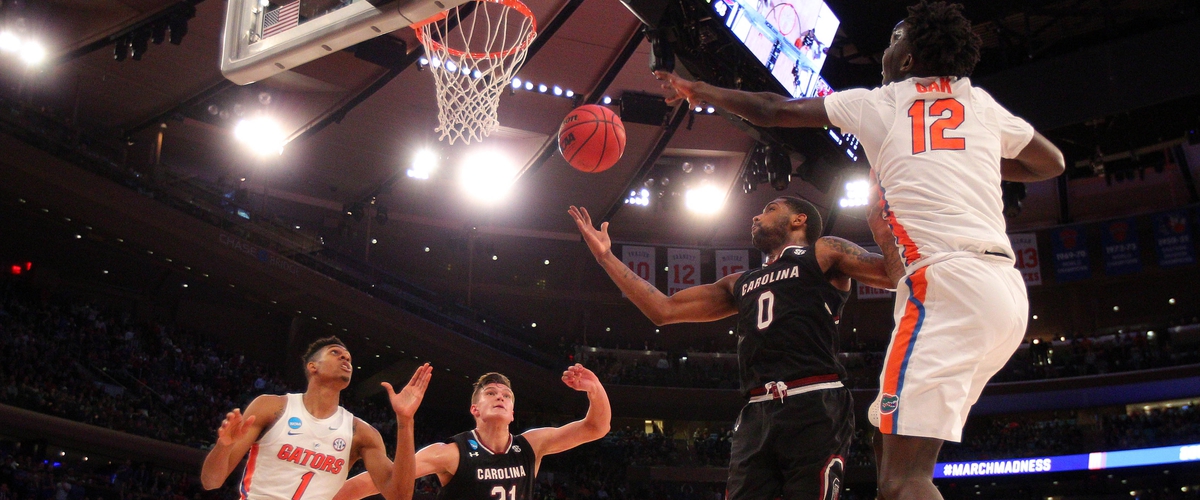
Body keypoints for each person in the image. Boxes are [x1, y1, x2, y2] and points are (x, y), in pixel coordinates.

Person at [655, 1, 1066, 498]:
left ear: (910, 59)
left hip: (944, 284)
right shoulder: (978, 103)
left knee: (903, 481)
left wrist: (698, 89)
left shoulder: (884, 101)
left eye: (895, 40)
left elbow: (773, 109)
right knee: (885, 440)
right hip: (1006, 295)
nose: (886, 50)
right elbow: (1052, 162)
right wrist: (968, 158)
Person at [568, 197, 896, 500]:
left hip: (815, 400)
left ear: (799, 219)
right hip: (757, 410)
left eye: (770, 208)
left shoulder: (824, 251)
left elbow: (892, 274)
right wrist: (605, 257)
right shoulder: (740, 281)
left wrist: (885, 231)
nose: (756, 215)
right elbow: (663, 309)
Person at [200, 336, 431, 500]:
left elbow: (399, 495)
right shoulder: (271, 407)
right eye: (336, 353)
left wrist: (405, 421)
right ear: (313, 366)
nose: (346, 360)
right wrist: (222, 447)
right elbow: (211, 482)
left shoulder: (361, 434)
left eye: (349, 358)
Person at [333, 364, 611, 500]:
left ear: (513, 412)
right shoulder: (452, 453)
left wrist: (595, 388)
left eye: (506, 395)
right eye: (491, 393)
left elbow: (596, 427)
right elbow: (381, 479)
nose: (500, 397)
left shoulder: (531, 445)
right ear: (475, 409)